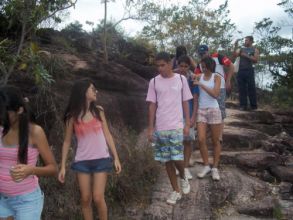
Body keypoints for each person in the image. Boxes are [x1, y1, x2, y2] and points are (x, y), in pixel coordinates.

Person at [58, 79, 122, 220]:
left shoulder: (99, 111)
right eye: (93, 89)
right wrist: (62, 166)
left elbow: (108, 135)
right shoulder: (72, 117)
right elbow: (67, 141)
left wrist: (116, 158)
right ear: (83, 92)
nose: (96, 91)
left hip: (102, 160)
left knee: (98, 198)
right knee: (85, 199)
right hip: (82, 162)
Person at [0, 85, 58, 220]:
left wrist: (30, 170)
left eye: (4, 113)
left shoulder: (35, 132)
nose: (1, 118)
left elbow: (53, 169)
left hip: (26, 201)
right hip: (2, 199)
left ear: (19, 110)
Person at [146, 52, 192, 205]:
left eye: (162, 65)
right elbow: (152, 105)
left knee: (176, 157)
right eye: (157, 66)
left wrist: (187, 124)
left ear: (170, 63)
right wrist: (151, 128)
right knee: (167, 160)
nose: (160, 68)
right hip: (161, 126)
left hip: (177, 124)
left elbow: (185, 101)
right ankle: (175, 191)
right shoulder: (153, 82)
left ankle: (183, 177)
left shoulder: (181, 79)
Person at [196, 44, 234, 144]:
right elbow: (196, 75)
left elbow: (232, 66)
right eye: (200, 54)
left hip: (220, 87)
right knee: (207, 111)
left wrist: (228, 80)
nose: (202, 55)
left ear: (208, 51)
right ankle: (210, 133)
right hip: (206, 90)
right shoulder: (200, 64)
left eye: (204, 53)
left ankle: (219, 137)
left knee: (220, 111)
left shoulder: (218, 57)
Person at [193, 57, 222, 181]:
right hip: (201, 110)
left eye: (204, 66)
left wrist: (201, 84)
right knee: (200, 139)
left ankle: (215, 168)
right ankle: (206, 166)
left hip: (214, 110)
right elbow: (188, 75)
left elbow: (215, 94)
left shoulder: (216, 77)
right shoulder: (198, 76)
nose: (202, 69)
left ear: (210, 66)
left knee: (216, 140)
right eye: (201, 66)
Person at [174, 55, 199, 180]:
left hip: (188, 114)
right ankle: (178, 167)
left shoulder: (192, 79)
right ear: (177, 65)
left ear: (189, 66)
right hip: (174, 114)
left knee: (187, 141)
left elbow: (195, 100)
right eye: (181, 66)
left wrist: (194, 116)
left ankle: (186, 167)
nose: (183, 68)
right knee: (176, 141)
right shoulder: (172, 77)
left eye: (186, 66)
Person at [234, 36, 259, 111]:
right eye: (245, 40)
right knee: (241, 89)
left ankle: (253, 106)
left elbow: (255, 60)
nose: (245, 41)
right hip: (241, 70)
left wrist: (246, 56)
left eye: (247, 40)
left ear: (251, 41)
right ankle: (243, 105)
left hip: (249, 70)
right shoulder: (241, 49)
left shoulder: (255, 49)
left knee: (251, 88)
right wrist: (235, 46)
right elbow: (235, 55)